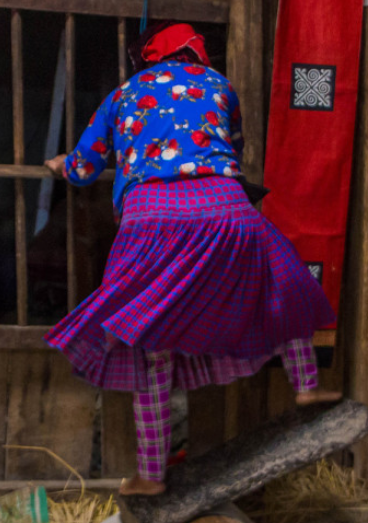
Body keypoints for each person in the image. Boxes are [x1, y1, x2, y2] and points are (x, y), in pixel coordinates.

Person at [44, 22, 339, 496]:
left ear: (151, 59)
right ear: (197, 57)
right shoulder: (221, 86)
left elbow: (84, 166)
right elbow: (233, 149)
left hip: (150, 222)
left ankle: (151, 476)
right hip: (226, 210)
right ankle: (304, 384)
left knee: (149, 346)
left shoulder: (124, 93)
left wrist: (62, 165)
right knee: (282, 284)